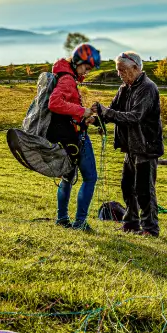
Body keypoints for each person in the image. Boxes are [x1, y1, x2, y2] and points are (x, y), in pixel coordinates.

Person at [92, 51, 164, 237]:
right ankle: (131, 223)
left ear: (136, 68)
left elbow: (135, 117)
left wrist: (106, 112)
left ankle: (150, 228)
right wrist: (95, 119)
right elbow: (112, 111)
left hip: (146, 147)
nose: (120, 74)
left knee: (144, 190)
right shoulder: (124, 88)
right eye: (118, 70)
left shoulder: (148, 88)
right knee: (127, 186)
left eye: (122, 70)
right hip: (131, 147)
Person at [47, 43, 101, 232]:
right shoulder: (68, 79)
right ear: (78, 61)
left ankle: (62, 218)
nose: (86, 73)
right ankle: (80, 222)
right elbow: (54, 104)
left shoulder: (64, 75)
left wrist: (86, 117)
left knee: (68, 177)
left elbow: (66, 110)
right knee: (90, 177)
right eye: (86, 68)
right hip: (74, 137)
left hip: (66, 134)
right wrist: (83, 111)